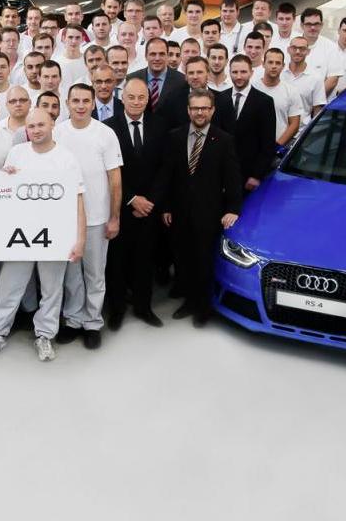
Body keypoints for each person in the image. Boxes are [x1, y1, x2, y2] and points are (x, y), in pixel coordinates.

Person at [0, 109, 85, 362]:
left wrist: (80, 239)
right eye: (31, 126)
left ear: (52, 125)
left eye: (41, 125)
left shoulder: (66, 158)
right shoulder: (17, 153)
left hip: (55, 233)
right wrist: (5, 179)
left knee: (52, 288)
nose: (36, 130)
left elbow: (78, 200)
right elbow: (5, 193)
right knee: (9, 286)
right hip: (22, 233)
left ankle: (45, 335)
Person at [163, 89, 243, 326]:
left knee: (204, 261)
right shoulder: (175, 137)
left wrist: (233, 208)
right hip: (179, 212)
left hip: (209, 213)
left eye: (204, 108)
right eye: (195, 108)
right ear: (188, 111)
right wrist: (166, 206)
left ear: (212, 110)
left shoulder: (224, 140)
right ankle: (189, 302)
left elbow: (232, 178)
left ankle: (203, 308)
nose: (200, 112)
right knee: (183, 259)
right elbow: (168, 176)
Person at [56, 83, 123, 349]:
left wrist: (114, 217)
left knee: (95, 274)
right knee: (71, 276)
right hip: (66, 218)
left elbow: (115, 179)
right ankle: (73, 320)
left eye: (86, 101)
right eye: (76, 101)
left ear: (94, 103)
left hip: (97, 217)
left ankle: (93, 322)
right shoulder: (58, 133)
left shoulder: (105, 134)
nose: (81, 105)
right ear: (67, 103)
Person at [103, 78, 169, 329]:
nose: (136, 102)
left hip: (150, 207)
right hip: (120, 206)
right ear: (122, 98)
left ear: (148, 99)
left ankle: (144, 308)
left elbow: (165, 168)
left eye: (141, 97)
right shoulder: (108, 128)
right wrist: (132, 199)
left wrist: (150, 201)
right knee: (117, 261)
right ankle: (117, 310)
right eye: (131, 97)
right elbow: (110, 170)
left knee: (146, 260)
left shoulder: (160, 125)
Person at [227, 55, 277, 192]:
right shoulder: (220, 98)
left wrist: (256, 175)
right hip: (223, 173)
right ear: (229, 72)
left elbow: (268, 143)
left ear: (251, 72)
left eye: (243, 72)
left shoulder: (264, 102)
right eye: (235, 72)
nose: (239, 76)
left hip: (249, 174)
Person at [254, 49, 304, 149]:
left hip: (278, 147)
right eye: (270, 62)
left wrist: (277, 146)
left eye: (278, 63)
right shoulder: (252, 87)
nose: (274, 66)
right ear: (263, 64)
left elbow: (294, 124)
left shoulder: (291, 91)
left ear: (283, 66)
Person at [128, 37, 186, 120]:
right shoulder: (132, 79)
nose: (157, 58)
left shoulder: (182, 81)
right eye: (153, 54)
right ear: (146, 56)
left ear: (167, 56)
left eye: (161, 54)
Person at [282, 35, 327, 138]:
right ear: (288, 50)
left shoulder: (316, 78)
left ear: (308, 51)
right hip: (277, 131)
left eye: (302, 49)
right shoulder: (279, 73)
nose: (297, 51)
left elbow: (317, 110)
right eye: (294, 48)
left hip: (300, 135)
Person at [298, 8, 343, 99]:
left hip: (321, 103)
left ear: (322, 25)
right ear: (302, 25)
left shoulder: (331, 47)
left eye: (316, 24)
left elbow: (333, 80)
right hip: (295, 102)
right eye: (308, 24)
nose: (313, 28)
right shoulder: (292, 45)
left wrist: (315, 101)